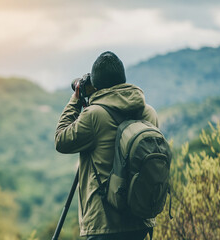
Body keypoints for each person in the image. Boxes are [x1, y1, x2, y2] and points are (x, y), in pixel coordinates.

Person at [55, 51, 158, 240]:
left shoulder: (95, 115)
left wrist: (76, 99)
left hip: (104, 225)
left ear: (96, 85)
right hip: (140, 219)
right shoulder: (148, 112)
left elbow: (61, 140)